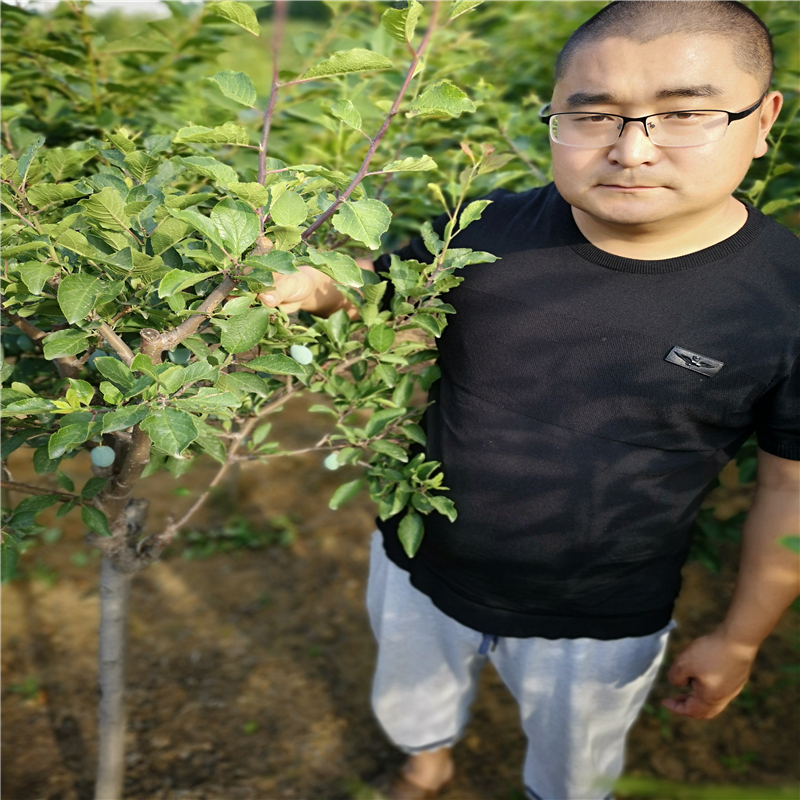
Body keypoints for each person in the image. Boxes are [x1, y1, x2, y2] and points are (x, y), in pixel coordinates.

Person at [259, 2, 800, 798]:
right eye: (593, 114)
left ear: (763, 120)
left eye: (683, 113)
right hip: (421, 557)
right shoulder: (488, 226)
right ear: (554, 115)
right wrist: (319, 285)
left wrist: (742, 639)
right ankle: (426, 760)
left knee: (572, 765)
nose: (631, 148)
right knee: (412, 698)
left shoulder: (783, 302)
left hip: (601, 609)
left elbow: (788, 489)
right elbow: (392, 298)